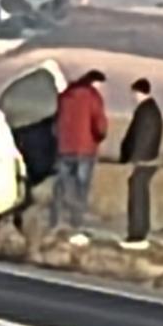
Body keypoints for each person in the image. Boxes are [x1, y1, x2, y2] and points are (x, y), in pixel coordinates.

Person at [51, 69, 108, 243]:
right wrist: (99, 137)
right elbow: (100, 125)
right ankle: (76, 225)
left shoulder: (65, 96)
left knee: (61, 186)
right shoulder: (92, 97)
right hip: (84, 149)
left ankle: (55, 222)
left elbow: (56, 123)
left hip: (64, 148)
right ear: (94, 83)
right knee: (81, 188)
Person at [117, 77, 163, 250]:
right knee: (139, 195)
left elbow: (141, 137)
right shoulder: (151, 110)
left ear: (138, 92)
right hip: (147, 160)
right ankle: (138, 232)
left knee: (138, 197)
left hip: (143, 161)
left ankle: (137, 235)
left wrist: (135, 159)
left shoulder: (146, 111)